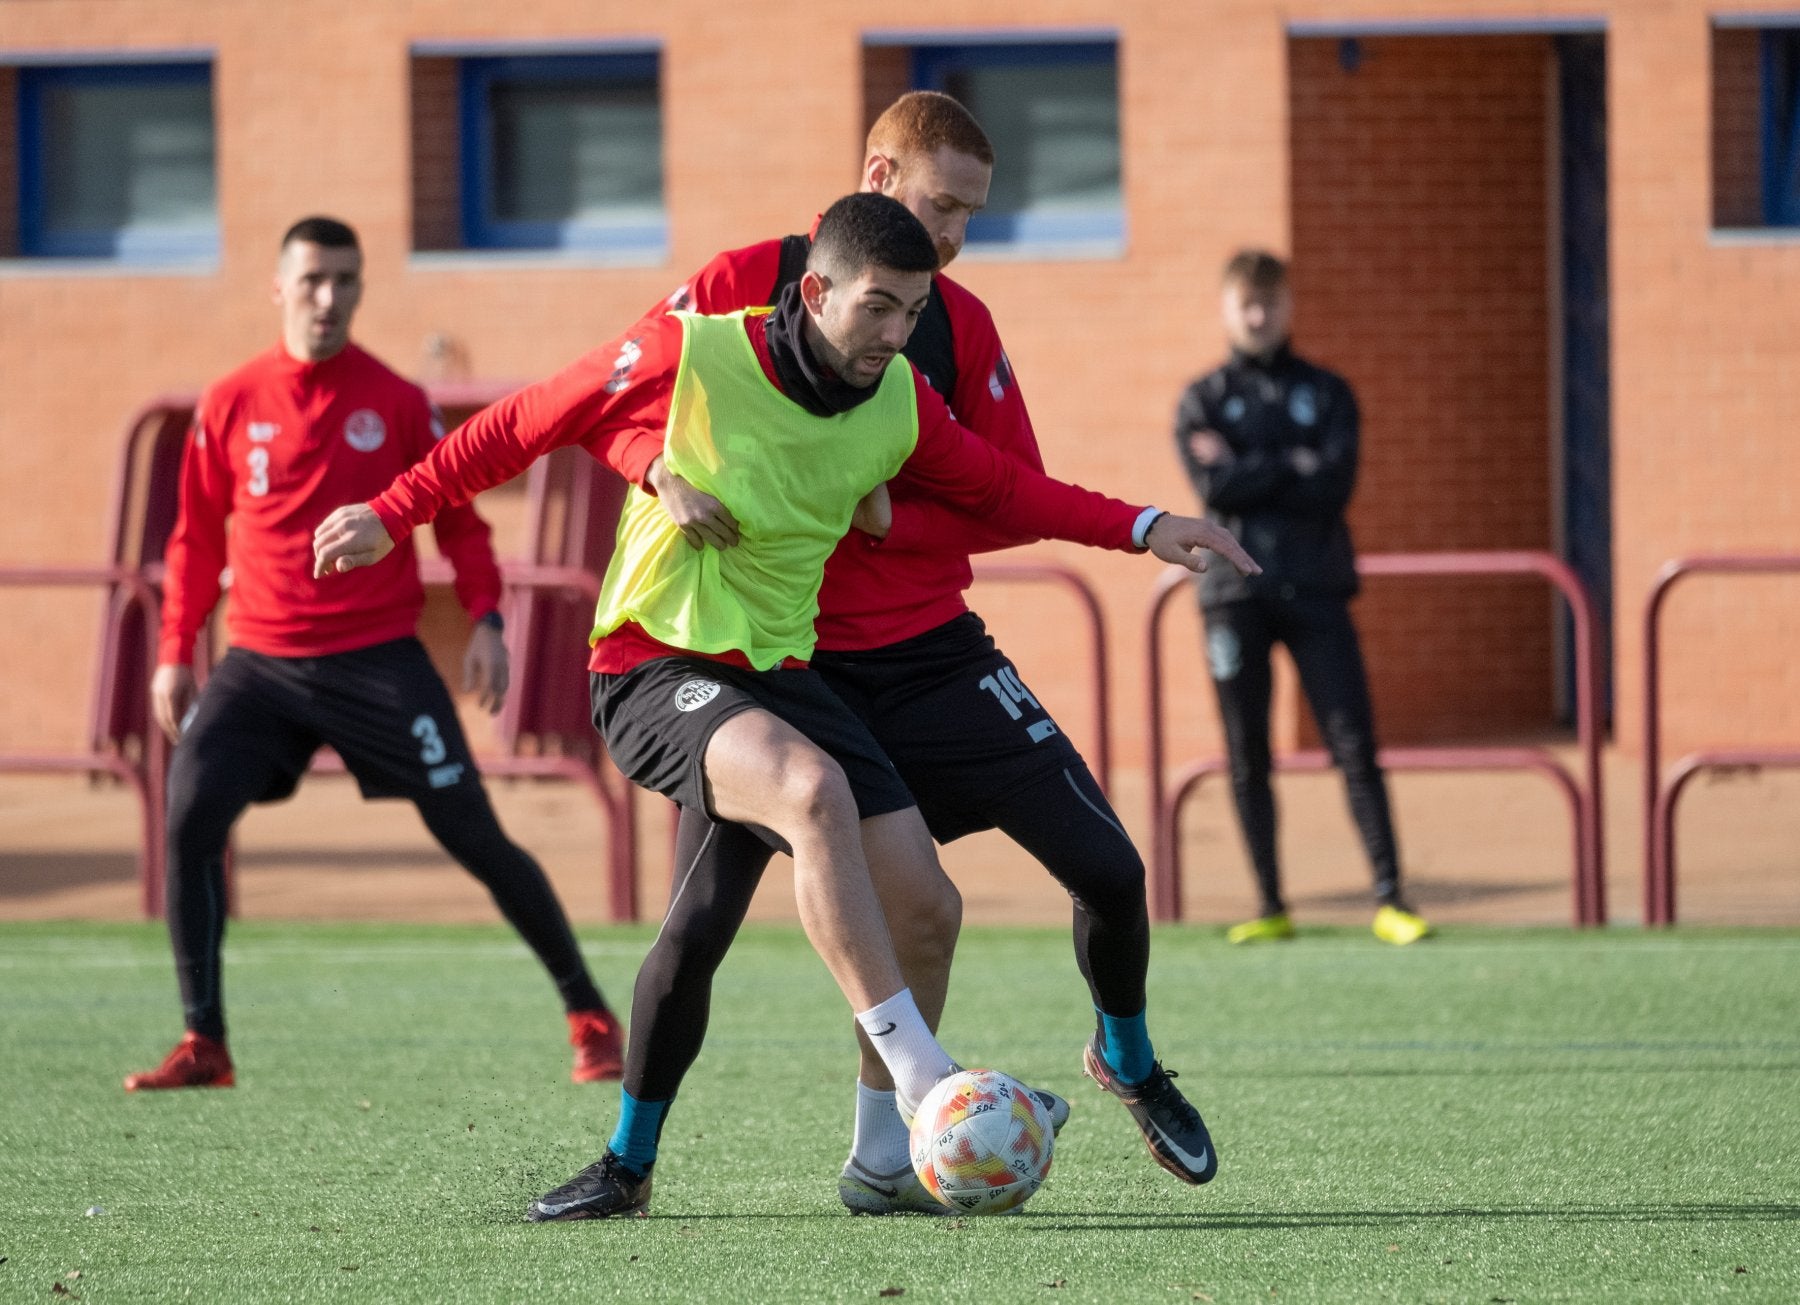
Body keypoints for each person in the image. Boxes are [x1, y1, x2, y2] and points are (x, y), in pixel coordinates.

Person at [312, 193, 1257, 1220]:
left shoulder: (897, 399)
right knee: (806, 795)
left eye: (913, 313)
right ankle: (927, 1085)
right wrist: (390, 511)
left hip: (781, 673)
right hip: (652, 666)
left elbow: (1004, 490)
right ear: (814, 291)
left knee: (928, 909)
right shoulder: (692, 352)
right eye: (879, 310)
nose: (896, 336)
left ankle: (838, 1162)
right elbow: (525, 422)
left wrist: (1147, 525)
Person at [648, 90, 1226, 1213]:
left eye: (972, 214)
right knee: (697, 929)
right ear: (878, 179)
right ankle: (630, 1157)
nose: (955, 235)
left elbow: (1011, 496)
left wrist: (892, 519)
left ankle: (1128, 1059)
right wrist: (658, 475)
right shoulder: (736, 282)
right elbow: (621, 396)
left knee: (1109, 870)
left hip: (929, 653)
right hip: (775, 669)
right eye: (942, 202)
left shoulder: (956, 326)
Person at [124, 216, 624, 1093]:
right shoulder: (231, 401)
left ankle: (588, 1012)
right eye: (313, 279)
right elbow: (195, 540)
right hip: (262, 664)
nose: (329, 297)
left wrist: (488, 623)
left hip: (377, 661)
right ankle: (204, 1039)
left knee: (476, 833)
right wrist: (175, 650)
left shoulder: (394, 401)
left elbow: (462, 518)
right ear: (279, 286)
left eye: (346, 280)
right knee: (189, 810)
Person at [1172, 248, 1431, 947]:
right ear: (1228, 310)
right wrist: (1294, 462)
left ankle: (1391, 898)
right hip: (1233, 595)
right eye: (1246, 304)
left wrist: (1250, 466)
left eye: (1270, 303)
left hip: (1317, 588)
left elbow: (1334, 486)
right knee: (1246, 749)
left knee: (1354, 742)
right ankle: (1270, 902)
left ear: (1288, 307)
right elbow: (1213, 490)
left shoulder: (1331, 391)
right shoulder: (1200, 399)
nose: (1259, 316)